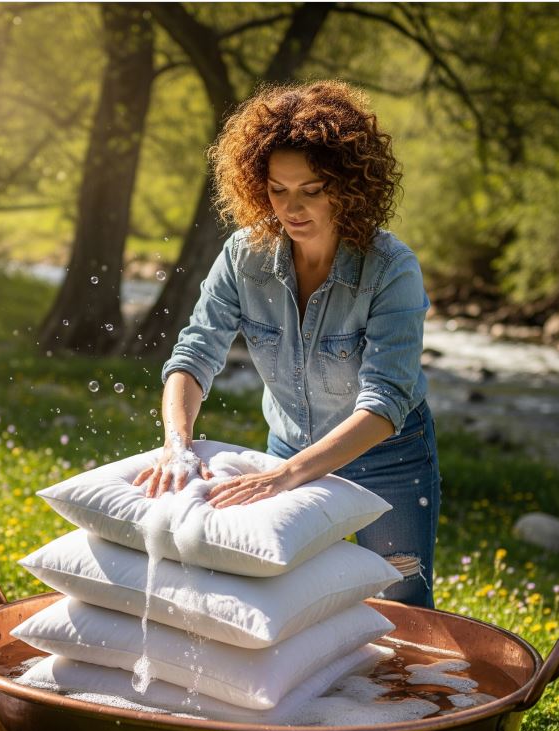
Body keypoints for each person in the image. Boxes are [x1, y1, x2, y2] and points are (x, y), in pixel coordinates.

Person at [133, 80, 440, 608]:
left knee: (400, 607)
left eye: (311, 189)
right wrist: (176, 444)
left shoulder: (392, 268)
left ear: (348, 185)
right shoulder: (242, 256)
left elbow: (386, 401)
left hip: (388, 459)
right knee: (285, 602)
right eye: (277, 189)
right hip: (286, 449)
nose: (291, 208)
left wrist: (285, 478)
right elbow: (194, 353)